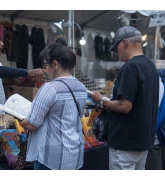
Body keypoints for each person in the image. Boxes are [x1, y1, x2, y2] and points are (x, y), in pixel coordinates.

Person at [90, 26, 159, 170]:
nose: (117, 53)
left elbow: (125, 106)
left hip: (125, 144)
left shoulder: (130, 67)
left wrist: (102, 100)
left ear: (125, 43)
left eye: (117, 48)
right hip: (143, 142)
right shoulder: (151, 66)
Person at [20, 37, 87, 170]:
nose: (45, 70)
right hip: (74, 153)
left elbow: (33, 124)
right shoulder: (81, 87)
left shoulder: (50, 88)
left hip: (50, 157)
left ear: (55, 65)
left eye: (45, 65)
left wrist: (22, 121)